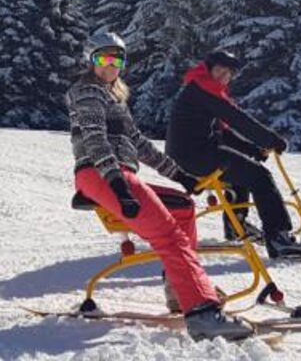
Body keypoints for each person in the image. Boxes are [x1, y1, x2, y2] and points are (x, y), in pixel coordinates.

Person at [66, 32, 253, 341]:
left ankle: (180, 291)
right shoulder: (87, 92)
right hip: (101, 173)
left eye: (117, 59)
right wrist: (117, 183)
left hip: (120, 173)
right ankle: (203, 312)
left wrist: (181, 177)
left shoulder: (114, 96)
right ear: (91, 60)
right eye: (103, 58)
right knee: (169, 235)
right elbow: (94, 139)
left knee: (184, 208)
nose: (110, 66)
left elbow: (140, 145)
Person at [165, 50, 301, 259]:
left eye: (228, 73)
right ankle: (279, 239)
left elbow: (221, 132)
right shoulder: (203, 89)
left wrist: (252, 150)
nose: (223, 77)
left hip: (190, 154)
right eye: (219, 70)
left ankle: (237, 226)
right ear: (208, 69)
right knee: (260, 176)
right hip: (194, 155)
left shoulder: (199, 88)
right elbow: (237, 119)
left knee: (241, 175)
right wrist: (272, 140)